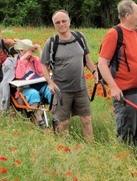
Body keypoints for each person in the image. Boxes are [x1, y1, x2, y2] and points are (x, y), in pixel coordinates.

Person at [97, 0, 137, 145]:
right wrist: (113, 87)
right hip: (126, 94)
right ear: (127, 15)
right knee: (126, 132)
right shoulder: (114, 34)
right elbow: (102, 63)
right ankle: (125, 161)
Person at [40, 10, 98, 141]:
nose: (61, 24)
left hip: (80, 88)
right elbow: (44, 65)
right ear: (54, 25)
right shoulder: (51, 43)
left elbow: (87, 59)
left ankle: (90, 147)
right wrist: (50, 82)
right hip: (61, 90)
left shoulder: (79, 38)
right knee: (63, 122)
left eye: (64, 21)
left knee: (86, 119)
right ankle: (64, 149)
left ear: (69, 21)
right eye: (57, 22)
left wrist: (95, 72)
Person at [13, 39, 52, 126]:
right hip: (26, 87)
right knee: (33, 93)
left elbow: (43, 69)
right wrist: (22, 60)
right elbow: (19, 75)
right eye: (26, 50)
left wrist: (39, 50)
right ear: (21, 51)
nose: (29, 53)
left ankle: (56, 117)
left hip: (40, 83)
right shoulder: (17, 61)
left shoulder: (34, 59)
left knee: (51, 90)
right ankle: (39, 120)